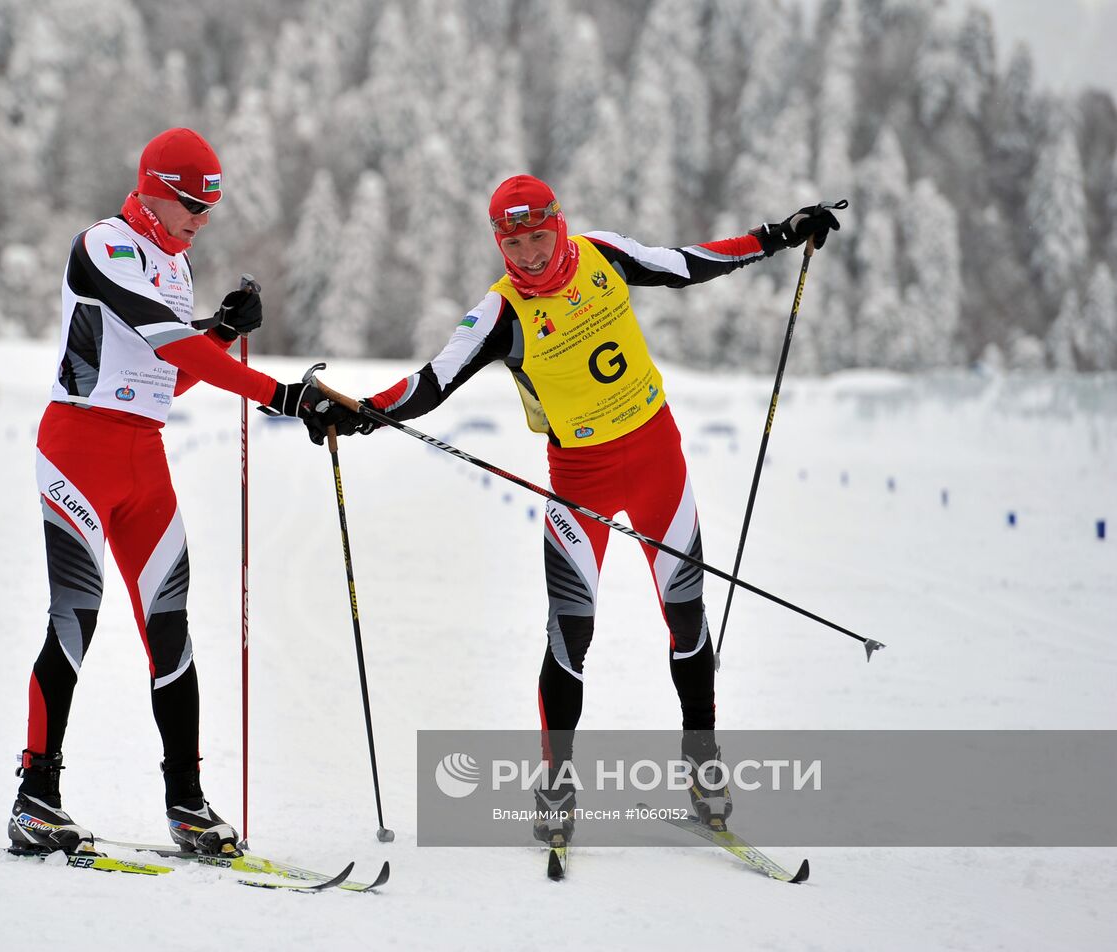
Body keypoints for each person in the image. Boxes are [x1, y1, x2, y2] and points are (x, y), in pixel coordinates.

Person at [321, 174, 840, 840]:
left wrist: (777, 236)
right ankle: (558, 786)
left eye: (540, 237)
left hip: (659, 461)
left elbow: (685, 265)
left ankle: (702, 764)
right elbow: (433, 380)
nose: (532, 255)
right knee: (571, 633)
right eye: (515, 245)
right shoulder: (500, 311)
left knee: (686, 617)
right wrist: (363, 413)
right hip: (579, 481)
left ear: (558, 224)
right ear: (499, 244)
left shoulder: (602, 256)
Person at [9, 127, 342, 856]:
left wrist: (219, 331)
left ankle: (186, 803)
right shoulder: (105, 246)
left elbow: (165, 378)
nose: (200, 218)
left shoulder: (175, 263)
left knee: (171, 628)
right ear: (154, 189)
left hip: (143, 459)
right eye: (190, 202)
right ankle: (35, 797)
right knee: (77, 615)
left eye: (209, 208)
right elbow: (164, 340)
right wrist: (280, 394)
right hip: (77, 451)